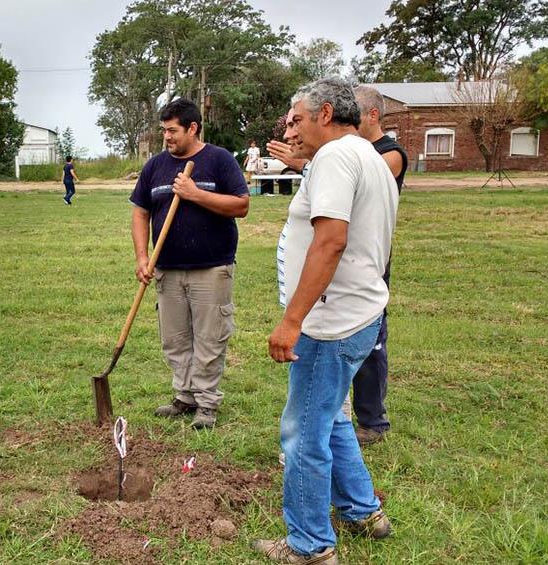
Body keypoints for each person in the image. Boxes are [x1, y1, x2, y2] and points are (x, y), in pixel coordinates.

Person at [254, 78, 398, 564]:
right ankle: (363, 511)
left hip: (329, 323)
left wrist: (292, 320)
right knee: (331, 416)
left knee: (302, 433)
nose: (290, 129)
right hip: (360, 314)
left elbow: (331, 241)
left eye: (296, 118)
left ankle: (310, 547)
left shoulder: (337, 157)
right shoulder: (367, 156)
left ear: (325, 114)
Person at [130, 98, 249, 430]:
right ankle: (184, 396)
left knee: (210, 339)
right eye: (164, 131)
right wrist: (142, 256)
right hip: (167, 268)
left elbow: (241, 205)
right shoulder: (155, 167)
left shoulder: (219, 160)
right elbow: (140, 212)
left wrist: (196, 193)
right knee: (175, 339)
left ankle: (207, 404)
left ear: (193, 128)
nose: (167, 137)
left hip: (211, 269)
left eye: (173, 131)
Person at [350, 85, 408, 446]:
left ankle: (373, 422)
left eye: (352, 110)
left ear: (373, 115)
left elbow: (363, 184)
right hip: (346, 257)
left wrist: (307, 162)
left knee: (371, 342)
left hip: (372, 259)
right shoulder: (352, 151)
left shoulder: (391, 154)